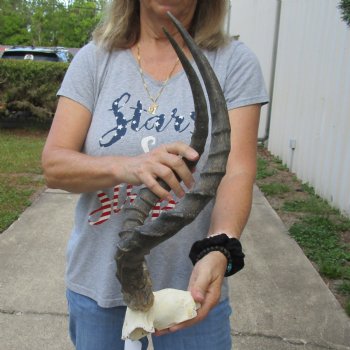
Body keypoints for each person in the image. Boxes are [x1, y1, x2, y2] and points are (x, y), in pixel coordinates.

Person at [42, 1, 269, 349]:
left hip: (191, 289)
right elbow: (55, 166)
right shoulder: (96, 59)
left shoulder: (232, 62)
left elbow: (237, 170)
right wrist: (127, 166)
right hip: (99, 286)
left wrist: (220, 245)